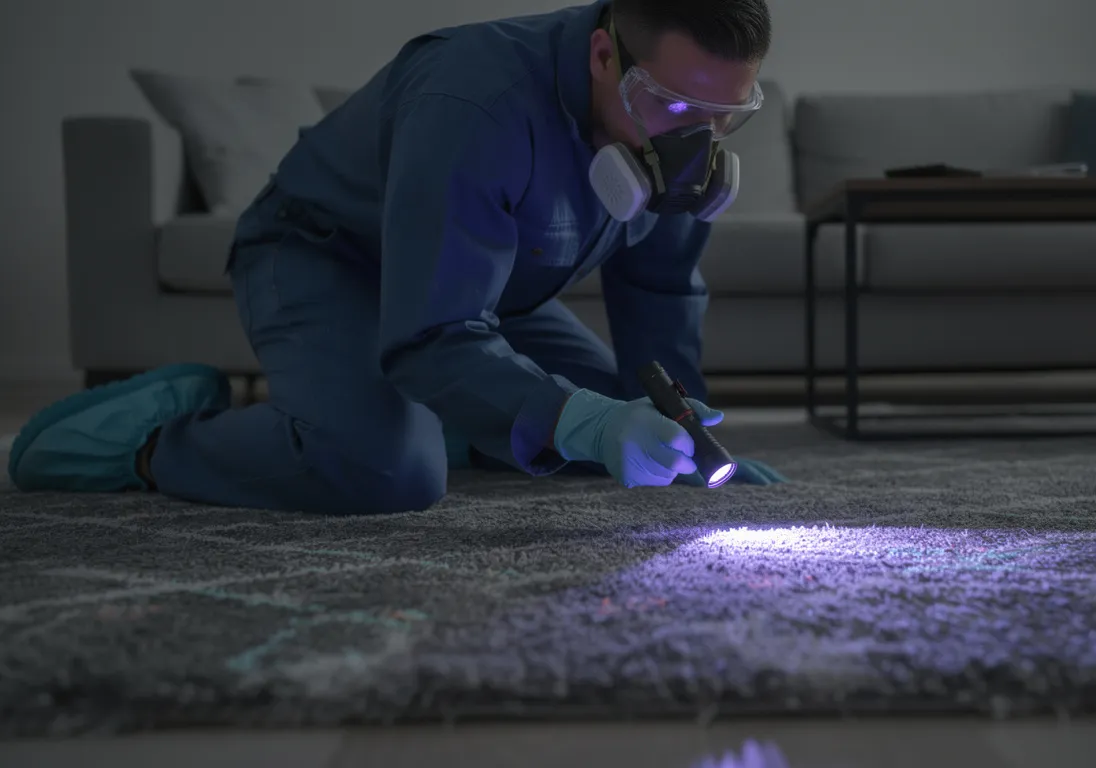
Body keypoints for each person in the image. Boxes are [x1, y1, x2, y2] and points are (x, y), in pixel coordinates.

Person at [7, 0, 788, 514]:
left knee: (618, 445)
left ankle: (421, 417)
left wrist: (681, 420)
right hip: (328, 257)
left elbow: (656, 289)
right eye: (675, 105)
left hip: (481, 297)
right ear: (601, 54)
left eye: (727, 115)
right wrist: (580, 418)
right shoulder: (473, 103)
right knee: (389, 474)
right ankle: (146, 440)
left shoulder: (684, 142)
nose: (698, 139)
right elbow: (431, 333)